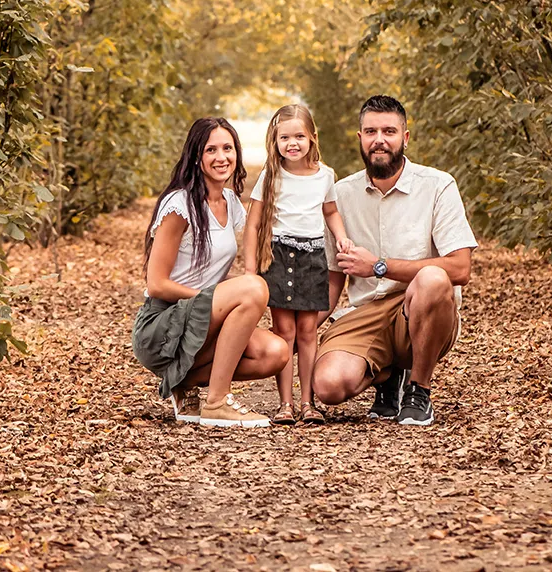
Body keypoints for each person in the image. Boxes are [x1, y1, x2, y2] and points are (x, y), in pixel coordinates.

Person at [312, 96, 478, 426]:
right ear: (360, 138)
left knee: (433, 278)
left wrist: (379, 266)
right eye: (371, 132)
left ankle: (418, 389)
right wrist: (296, 332)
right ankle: (388, 375)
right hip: (365, 314)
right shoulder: (340, 195)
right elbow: (333, 279)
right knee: (328, 386)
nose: (379, 140)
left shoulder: (437, 185)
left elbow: (460, 268)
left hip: (421, 308)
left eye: (389, 131)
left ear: (406, 137)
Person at [133, 117, 288, 428]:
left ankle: (183, 381)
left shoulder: (230, 202)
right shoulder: (179, 205)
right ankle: (218, 401)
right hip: (162, 326)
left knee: (275, 352)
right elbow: (157, 283)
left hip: (200, 321)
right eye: (211, 150)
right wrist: (212, 299)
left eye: (228, 148)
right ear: (196, 157)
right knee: (252, 287)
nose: (222, 157)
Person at [244, 105, 353, 425]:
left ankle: (307, 402)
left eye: (299, 137)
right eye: (285, 138)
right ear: (275, 141)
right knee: (285, 332)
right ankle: (285, 404)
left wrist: (342, 238)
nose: (292, 143)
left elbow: (330, 211)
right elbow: (252, 225)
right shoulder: (271, 175)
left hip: (312, 259)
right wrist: (250, 269)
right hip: (277, 258)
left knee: (307, 331)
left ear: (312, 138)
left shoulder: (325, 175)